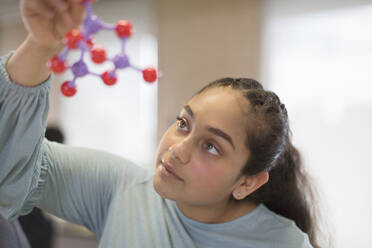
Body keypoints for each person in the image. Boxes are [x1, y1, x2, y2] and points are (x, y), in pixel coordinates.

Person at [0, 0, 321, 247]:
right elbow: (12, 162)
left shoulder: (284, 243)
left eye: (211, 146)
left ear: (247, 183)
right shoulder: (123, 190)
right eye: (183, 123)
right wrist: (41, 45)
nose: (178, 149)